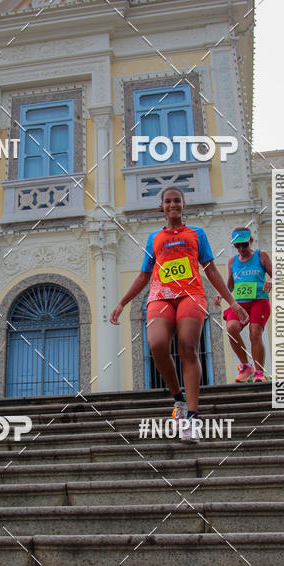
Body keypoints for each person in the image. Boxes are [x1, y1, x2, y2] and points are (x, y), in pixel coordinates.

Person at [110, 185, 248, 440]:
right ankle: (178, 399)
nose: (173, 205)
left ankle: (193, 419)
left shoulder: (196, 233)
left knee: (187, 347)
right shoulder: (154, 238)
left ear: (184, 205)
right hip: (160, 296)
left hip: (191, 294)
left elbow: (211, 270)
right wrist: (122, 302)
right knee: (158, 345)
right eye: (168, 201)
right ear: (161, 207)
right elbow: (144, 274)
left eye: (177, 201)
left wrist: (233, 302)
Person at [214, 228, 273, 383]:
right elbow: (230, 285)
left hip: (259, 300)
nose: (241, 249)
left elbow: (277, 274)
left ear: (250, 242)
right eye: (238, 246)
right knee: (231, 328)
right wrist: (221, 293)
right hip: (240, 304)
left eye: (244, 245)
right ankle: (246, 366)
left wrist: (271, 281)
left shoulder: (261, 255)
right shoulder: (233, 261)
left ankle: (259, 372)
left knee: (255, 332)